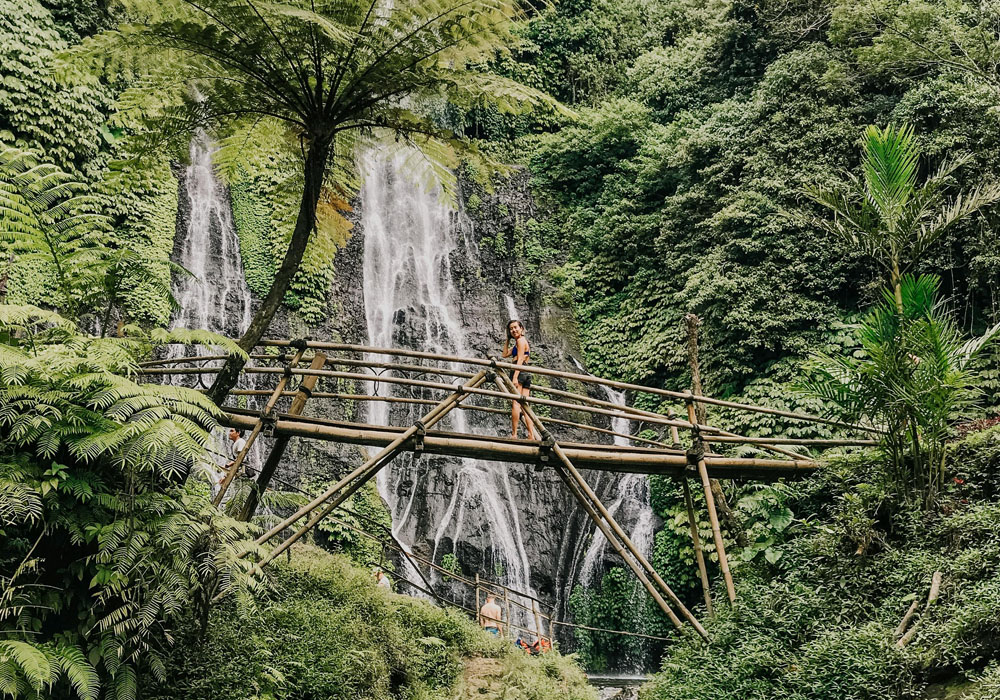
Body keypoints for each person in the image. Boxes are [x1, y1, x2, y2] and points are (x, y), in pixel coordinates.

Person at [501, 319, 536, 440]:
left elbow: (520, 359)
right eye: (511, 329)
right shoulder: (518, 342)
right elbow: (504, 354)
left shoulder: (521, 341)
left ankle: (514, 434)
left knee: (516, 403)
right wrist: (507, 339)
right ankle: (531, 434)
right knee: (525, 404)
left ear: (521, 328)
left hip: (519, 370)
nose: (513, 330)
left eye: (516, 327)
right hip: (526, 372)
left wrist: (515, 377)